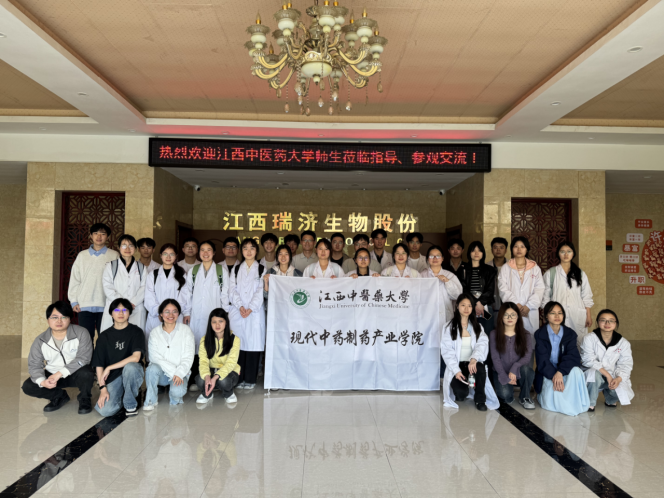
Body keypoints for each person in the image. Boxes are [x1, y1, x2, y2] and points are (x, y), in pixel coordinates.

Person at [23, 301, 94, 414]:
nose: (59, 321)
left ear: (70, 319)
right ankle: (59, 396)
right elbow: (34, 364)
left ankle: (85, 398)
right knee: (28, 386)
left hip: (76, 373)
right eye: (54, 317)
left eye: (63, 317)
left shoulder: (81, 333)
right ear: (48, 320)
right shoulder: (40, 340)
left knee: (86, 373)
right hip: (53, 375)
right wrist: (42, 382)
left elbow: (84, 358)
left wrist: (60, 373)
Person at [441, 293, 499, 411]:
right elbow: (447, 351)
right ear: (457, 306)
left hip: (471, 365)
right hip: (457, 366)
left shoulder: (477, 326)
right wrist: (456, 370)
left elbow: (482, 344)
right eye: (463, 305)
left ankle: (480, 400)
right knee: (461, 394)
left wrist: (474, 359)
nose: (466, 308)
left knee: (480, 368)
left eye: (469, 305)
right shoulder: (448, 327)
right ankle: (464, 386)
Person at [186, 240, 229, 391]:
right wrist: (186, 312)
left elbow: (225, 294)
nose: (205, 253)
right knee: (196, 346)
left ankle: (214, 378)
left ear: (214, 252)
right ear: (199, 253)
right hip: (196, 315)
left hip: (215, 316)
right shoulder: (193, 271)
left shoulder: (221, 271)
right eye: (202, 250)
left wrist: (225, 315)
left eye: (209, 250)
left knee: (214, 345)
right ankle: (196, 378)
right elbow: (187, 293)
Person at [92, 298, 146, 417]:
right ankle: (125, 394)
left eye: (124, 310)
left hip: (131, 372)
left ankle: (130, 403)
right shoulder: (104, 336)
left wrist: (109, 367)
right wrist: (103, 388)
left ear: (129, 313)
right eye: (117, 310)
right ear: (111, 313)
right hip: (113, 377)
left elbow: (136, 358)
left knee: (131, 367)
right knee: (104, 411)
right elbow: (99, 364)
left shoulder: (136, 331)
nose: (121, 313)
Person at [534, 301, 590, 416]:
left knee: (577, 371)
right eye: (552, 313)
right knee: (550, 400)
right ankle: (563, 402)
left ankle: (574, 402)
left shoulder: (570, 334)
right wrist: (554, 376)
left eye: (560, 313)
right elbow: (542, 360)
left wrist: (560, 372)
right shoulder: (540, 334)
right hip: (548, 372)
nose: (557, 316)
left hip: (564, 369)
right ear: (546, 316)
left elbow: (573, 356)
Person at [68, 223, 120, 342]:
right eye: (96, 233)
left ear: (108, 237)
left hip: (106, 304)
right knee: (86, 339)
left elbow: (118, 281)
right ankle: (87, 356)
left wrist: (116, 302)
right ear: (91, 236)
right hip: (84, 304)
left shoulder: (114, 255)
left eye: (103, 234)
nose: (99, 236)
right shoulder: (82, 255)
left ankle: (102, 356)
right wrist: (74, 301)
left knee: (105, 338)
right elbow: (75, 279)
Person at [421, 245, 463, 384]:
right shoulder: (421, 275)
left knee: (445, 347)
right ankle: (430, 378)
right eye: (431, 256)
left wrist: (447, 282)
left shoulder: (450, 275)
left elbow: (458, 295)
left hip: (446, 318)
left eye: (438, 256)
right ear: (427, 259)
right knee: (429, 347)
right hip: (427, 319)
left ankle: (444, 378)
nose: (435, 258)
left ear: (443, 258)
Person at [144, 299, 196, 411]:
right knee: (151, 369)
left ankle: (175, 396)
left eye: (174, 311)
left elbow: (188, 356)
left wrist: (179, 373)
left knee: (178, 392)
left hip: (180, 373)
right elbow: (154, 357)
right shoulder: (154, 332)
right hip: (162, 373)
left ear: (178, 314)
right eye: (167, 311)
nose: (171, 315)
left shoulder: (186, 330)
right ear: (161, 314)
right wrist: (174, 372)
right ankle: (150, 400)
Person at [229, 238, 267, 390]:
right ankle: (239, 379)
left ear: (256, 251)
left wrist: (250, 308)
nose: (249, 251)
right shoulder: (236, 269)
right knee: (238, 346)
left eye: (252, 248)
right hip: (238, 311)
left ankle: (250, 379)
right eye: (245, 248)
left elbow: (261, 290)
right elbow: (232, 289)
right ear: (241, 251)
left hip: (254, 313)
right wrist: (240, 306)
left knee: (252, 345)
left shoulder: (262, 269)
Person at [543, 241, 594, 345]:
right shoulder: (551, 273)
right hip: (557, 316)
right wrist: (547, 315)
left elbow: (586, 296)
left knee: (578, 343)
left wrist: (588, 315)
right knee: (557, 343)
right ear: (558, 253)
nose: (566, 254)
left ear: (573, 253)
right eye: (562, 252)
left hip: (577, 315)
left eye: (569, 251)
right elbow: (545, 297)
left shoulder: (580, 273)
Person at [582, 310, 634, 411]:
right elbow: (588, 360)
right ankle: (590, 402)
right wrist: (607, 375)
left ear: (616, 323)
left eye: (611, 321)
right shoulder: (589, 338)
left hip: (613, 374)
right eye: (603, 320)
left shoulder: (623, 343)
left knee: (620, 391)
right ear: (598, 322)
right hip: (595, 373)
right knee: (594, 375)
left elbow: (626, 364)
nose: (607, 323)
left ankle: (610, 399)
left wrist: (618, 379)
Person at [489, 303, 535, 409]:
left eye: (513, 315)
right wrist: (503, 375)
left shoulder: (526, 334)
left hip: (518, 370)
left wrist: (515, 367)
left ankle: (525, 397)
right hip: (501, 371)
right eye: (506, 315)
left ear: (518, 317)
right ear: (501, 317)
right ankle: (508, 389)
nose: (510, 318)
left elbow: (527, 356)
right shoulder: (494, 334)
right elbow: (495, 358)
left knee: (527, 370)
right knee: (506, 397)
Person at [498, 236, 545, 335]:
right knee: (512, 337)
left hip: (530, 310)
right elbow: (503, 289)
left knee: (530, 339)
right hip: (512, 309)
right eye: (516, 246)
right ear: (512, 249)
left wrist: (528, 306)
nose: (519, 249)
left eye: (522, 246)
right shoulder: (505, 268)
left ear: (527, 249)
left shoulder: (535, 268)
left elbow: (539, 289)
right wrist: (516, 304)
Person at [144, 243, 191, 342]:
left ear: (176, 256)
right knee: (155, 343)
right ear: (160, 256)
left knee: (175, 343)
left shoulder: (181, 274)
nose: (168, 257)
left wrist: (171, 312)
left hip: (175, 316)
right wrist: (160, 312)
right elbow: (149, 296)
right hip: (156, 316)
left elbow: (185, 295)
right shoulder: (153, 274)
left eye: (171, 254)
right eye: (165, 254)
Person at [101, 234, 147, 333]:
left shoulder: (142, 268)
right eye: (124, 245)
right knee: (112, 337)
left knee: (134, 336)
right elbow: (107, 286)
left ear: (135, 248)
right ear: (119, 247)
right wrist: (122, 304)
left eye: (131, 245)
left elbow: (144, 287)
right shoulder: (111, 266)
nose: (127, 249)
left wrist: (133, 302)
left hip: (135, 307)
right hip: (115, 306)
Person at [195, 308, 241, 405]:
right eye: (214, 322)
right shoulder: (204, 339)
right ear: (210, 323)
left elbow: (231, 363)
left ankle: (228, 393)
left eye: (221, 321)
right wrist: (207, 376)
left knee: (223, 380)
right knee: (200, 380)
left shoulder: (235, 339)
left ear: (226, 322)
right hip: (211, 370)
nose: (217, 325)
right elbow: (203, 361)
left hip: (229, 372)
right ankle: (207, 394)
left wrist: (216, 377)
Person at [458, 241, 497, 336]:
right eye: (473, 251)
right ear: (469, 253)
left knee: (486, 335)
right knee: (468, 334)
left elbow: (490, 290)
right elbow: (463, 289)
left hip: (485, 307)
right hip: (468, 307)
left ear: (483, 253)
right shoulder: (462, 269)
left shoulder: (490, 270)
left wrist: (480, 303)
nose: (476, 253)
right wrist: (475, 303)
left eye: (479, 251)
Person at [489, 237, 508, 328]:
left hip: (508, 307)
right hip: (492, 307)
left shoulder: (512, 266)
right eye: (495, 247)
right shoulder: (486, 267)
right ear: (491, 250)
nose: (498, 250)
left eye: (501, 247)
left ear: (506, 250)